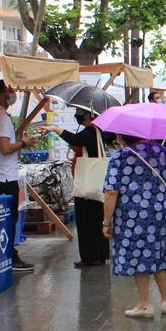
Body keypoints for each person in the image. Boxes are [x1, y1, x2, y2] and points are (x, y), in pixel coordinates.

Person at [102, 135, 166, 318]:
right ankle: (165, 301)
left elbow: (111, 191)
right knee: (159, 250)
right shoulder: (159, 150)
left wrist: (106, 222)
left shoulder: (119, 157)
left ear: (121, 136)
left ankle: (145, 304)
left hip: (132, 214)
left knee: (138, 254)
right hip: (160, 210)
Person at [41, 110, 112, 268]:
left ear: (88, 114)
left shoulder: (91, 130)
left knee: (87, 221)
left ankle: (90, 256)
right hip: (95, 185)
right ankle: (100, 254)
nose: (77, 114)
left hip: (87, 187)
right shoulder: (98, 131)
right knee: (96, 219)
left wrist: (55, 129)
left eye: (80, 112)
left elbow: (76, 139)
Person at [0, 80, 34, 273]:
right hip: (6, 177)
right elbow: (5, 148)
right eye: (10, 92)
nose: (13, 95)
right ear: (2, 95)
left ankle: (5, 255)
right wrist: (24, 143)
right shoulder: (2, 118)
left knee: (3, 220)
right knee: (8, 220)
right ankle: (10, 257)